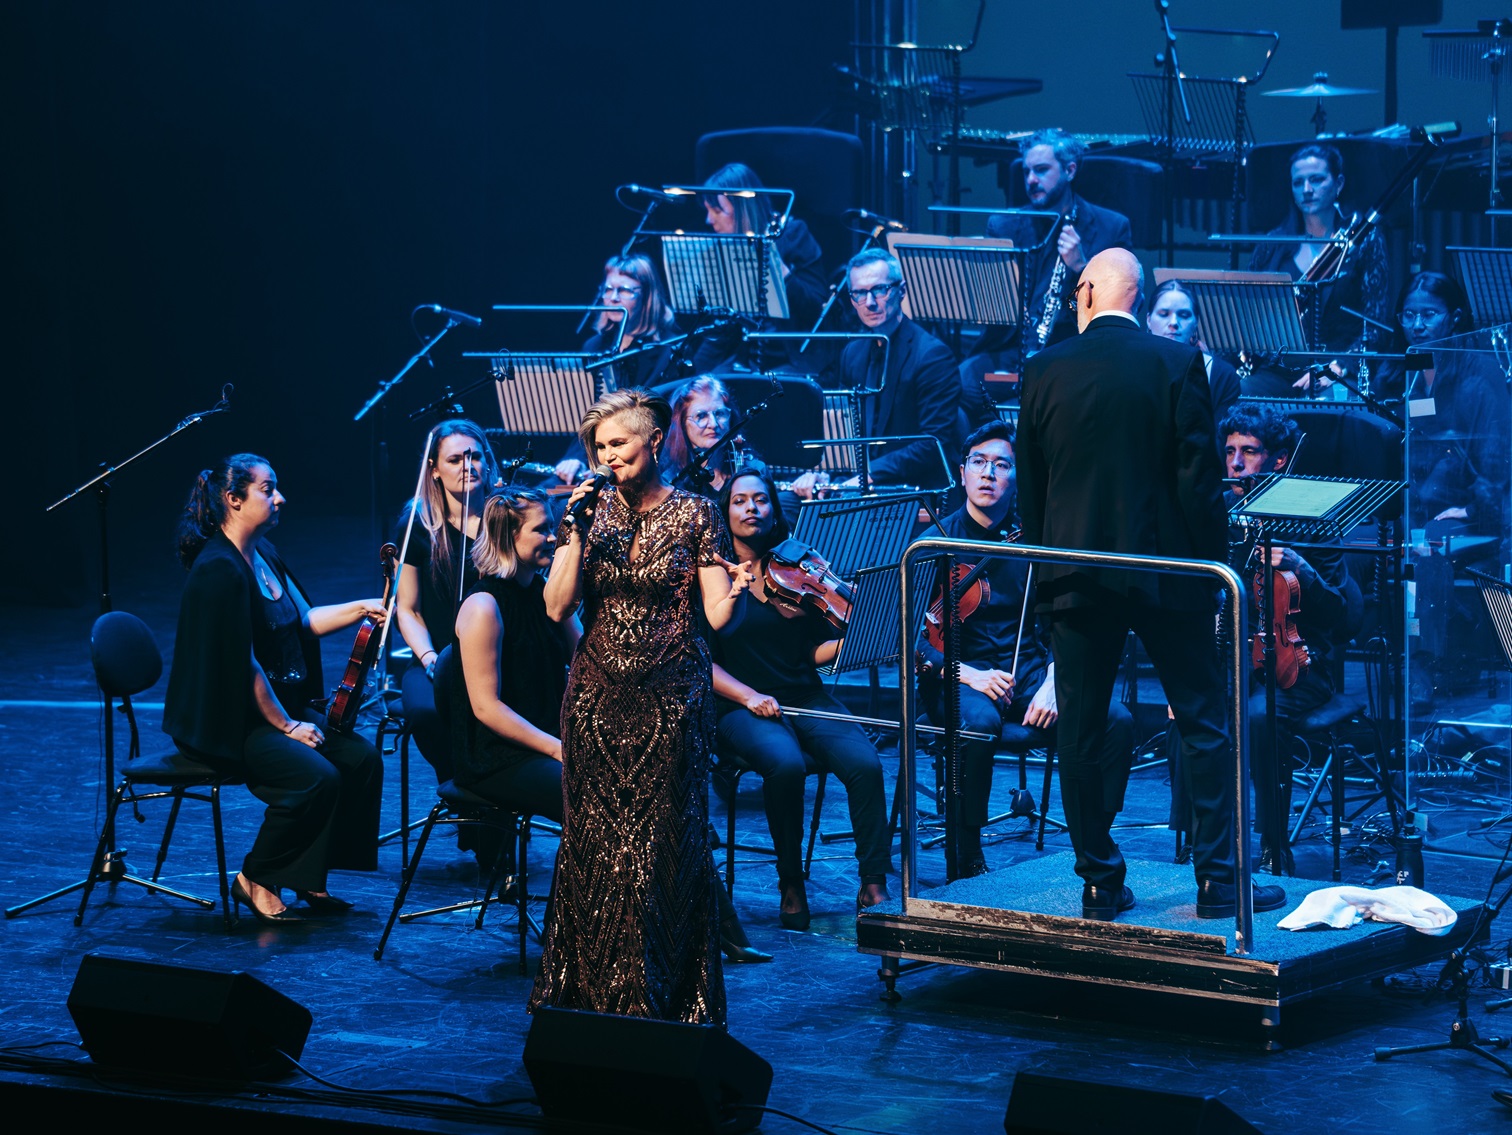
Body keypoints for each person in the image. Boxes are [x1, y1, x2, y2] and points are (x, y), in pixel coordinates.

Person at [1015, 248, 1285, 920]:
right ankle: (1221, 881)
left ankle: (1100, 881)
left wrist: (1045, 564)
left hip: (1073, 572)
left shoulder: (1042, 369)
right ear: (1136, 297)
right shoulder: (1175, 362)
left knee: (1078, 728)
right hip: (1166, 572)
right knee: (1203, 721)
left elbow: (1031, 483)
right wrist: (1213, 571)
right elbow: (1199, 483)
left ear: (1085, 292)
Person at [531, 389, 755, 1023]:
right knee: (594, 844)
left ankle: (666, 998)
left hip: (669, 699)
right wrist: (573, 532)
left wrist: (736, 591)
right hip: (598, 697)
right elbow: (555, 607)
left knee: (661, 845)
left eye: (619, 444)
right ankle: (587, 998)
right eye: (600, 448)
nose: (608, 457)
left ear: (654, 441)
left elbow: (713, 616)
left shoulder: (697, 515)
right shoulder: (588, 511)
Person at [163, 454, 384, 925]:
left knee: (361, 760)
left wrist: (362, 607)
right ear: (234, 499)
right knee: (315, 776)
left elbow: (304, 622)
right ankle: (256, 877)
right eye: (268, 489)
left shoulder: (265, 555)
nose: (280, 497)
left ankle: (308, 873)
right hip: (232, 720)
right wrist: (287, 726)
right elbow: (242, 665)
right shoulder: (219, 569)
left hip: (281, 707)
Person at [917, 422, 1134, 883]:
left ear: (1018, 478)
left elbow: (1065, 620)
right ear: (962, 473)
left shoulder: (1034, 538)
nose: (988, 474)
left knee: (1115, 720)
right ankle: (967, 852)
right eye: (978, 462)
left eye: (1002, 465)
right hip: (957, 680)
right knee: (978, 723)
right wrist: (965, 674)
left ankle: (1095, 840)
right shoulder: (933, 542)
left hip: (1029, 676)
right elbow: (906, 637)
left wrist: (1056, 680)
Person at [710, 467, 892, 927]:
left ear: (774, 508)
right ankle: (790, 880)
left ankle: (874, 882)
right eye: (739, 500)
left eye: (761, 499)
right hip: (738, 705)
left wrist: (854, 644)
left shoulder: (797, 569)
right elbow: (698, 660)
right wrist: (749, 695)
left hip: (803, 695)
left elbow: (812, 652)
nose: (752, 508)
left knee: (866, 764)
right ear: (725, 511)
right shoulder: (711, 574)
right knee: (786, 766)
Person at [1220, 405, 1357, 876]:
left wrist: (1300, 567)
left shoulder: (1311, 519)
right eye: (1230, 451)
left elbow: (1345, 616)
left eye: (1249, 452)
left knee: (1260, 716)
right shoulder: (1217, 517)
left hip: (1301, 667)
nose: (1236, 463)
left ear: (1278, 460)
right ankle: (1202, 844)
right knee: (1190, 709)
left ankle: (1273, 845)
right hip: (1233, 661)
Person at [1373, 271, 1510, 708]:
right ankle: (1417, 650)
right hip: (1427, 507)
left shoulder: (1480, 371)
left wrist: (1472, 510)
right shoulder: (1411, 368)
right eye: (1409, 315)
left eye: (1428, 314)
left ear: (1453, 317)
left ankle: (1425, 665)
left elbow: (1497, 454)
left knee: (1427, 545)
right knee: (1384, 542)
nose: (1417, 324)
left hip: (1483, 511)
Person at [449, 489, 575, 830]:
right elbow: (487, 708)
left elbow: (584, 659)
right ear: (508, 537)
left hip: (547, 735)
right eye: (541, 529)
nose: (552, 537)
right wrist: (556, 748)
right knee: (588, 793)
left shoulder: (543, 593)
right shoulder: (483, 606)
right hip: (497, 756)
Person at [964, 128, 1134, 381]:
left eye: (1041, 170)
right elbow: (991, 305)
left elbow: (1120, 308)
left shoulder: (1111, 227)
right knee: (960, 383)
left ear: (1070, 170)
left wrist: (1081, 266)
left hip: (1076, 350)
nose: (1031, 179)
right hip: (1011, 349)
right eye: (1026, 171)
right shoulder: (1004, 226)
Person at [789, 249, 960, 499]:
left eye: (879, 290)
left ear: (901, 290)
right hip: (859, 483)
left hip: (911, 487)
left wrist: (866, 476)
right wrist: (824, 474)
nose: (869, 302)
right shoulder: (852, 353)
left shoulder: (933, 356)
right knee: (785, 503)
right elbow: (843, 431)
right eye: (859, 293)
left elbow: (933, 444)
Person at [394, 421, 497, 825]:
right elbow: (408, 608)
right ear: (435, 468)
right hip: (436, 657)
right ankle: (463, 794)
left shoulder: (506, 517)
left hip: (495, 659)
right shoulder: (417, 524)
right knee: (426, 712)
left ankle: (492, 808)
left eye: (474, 456)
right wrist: (429, 656)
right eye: (455, 459)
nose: (467, 465)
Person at [1244, 143, 1391, 397]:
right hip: (1278, 371)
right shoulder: (1273, 243)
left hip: (1337, 370)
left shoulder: (1364, 239)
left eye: (1317, 180)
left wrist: (1337, 368)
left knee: (1327, 405)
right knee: (1237, 393)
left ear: (1339, 183)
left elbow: (1376, 325)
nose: (1307, 190)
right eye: (1298, 182)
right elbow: (1249, 314)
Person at [1146, 279, 1241, 429]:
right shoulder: (1131, 366)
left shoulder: (1220, 375)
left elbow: (1220, 439)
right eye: (1164, 314)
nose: (1174, 322)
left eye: (1184, 315)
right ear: (1148, 320)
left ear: (1196, 322)